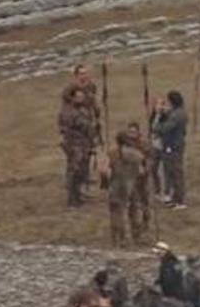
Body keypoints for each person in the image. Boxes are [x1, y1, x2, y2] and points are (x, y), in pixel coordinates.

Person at [57, 65, 101, 208]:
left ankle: (81, 191)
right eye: (81, 73)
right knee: (74, 167)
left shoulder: (91, 88)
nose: (85, 76)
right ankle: (72, 196)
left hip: (87, 134)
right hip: (75, 138)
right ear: (76, 75)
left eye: (86, 73)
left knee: (84, 165)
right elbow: (67, 117)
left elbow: (94, 106)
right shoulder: (69, 93)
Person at [101, 127, 148, 247]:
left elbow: (104, 170)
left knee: (116, 212)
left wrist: (106, 182)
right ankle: (136, 236)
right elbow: (142, 172)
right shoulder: (137, 155)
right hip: (132, 185)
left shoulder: (111, 153)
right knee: (134, 211)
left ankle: (119, 238)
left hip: (116, 185)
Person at [153, 90, 187, 209]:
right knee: (170, 172)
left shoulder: (177, 116)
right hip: (172, 146)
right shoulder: (176, 113)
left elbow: (162, 129)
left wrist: (158, 117)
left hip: (173, 146)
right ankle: (174, 197)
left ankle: (180, 200)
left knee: (176, 173)